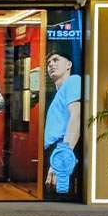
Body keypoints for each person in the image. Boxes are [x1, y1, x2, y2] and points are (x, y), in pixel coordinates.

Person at [44, 50, 81, 195]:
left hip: (63, 149)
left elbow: (76, 116)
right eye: (48, 63)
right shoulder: (58, 94)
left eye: (56, 60)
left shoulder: (73, 81)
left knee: (61, 198)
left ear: (68, 64)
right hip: (56, 151)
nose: (51, 64)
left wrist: (61, 159)